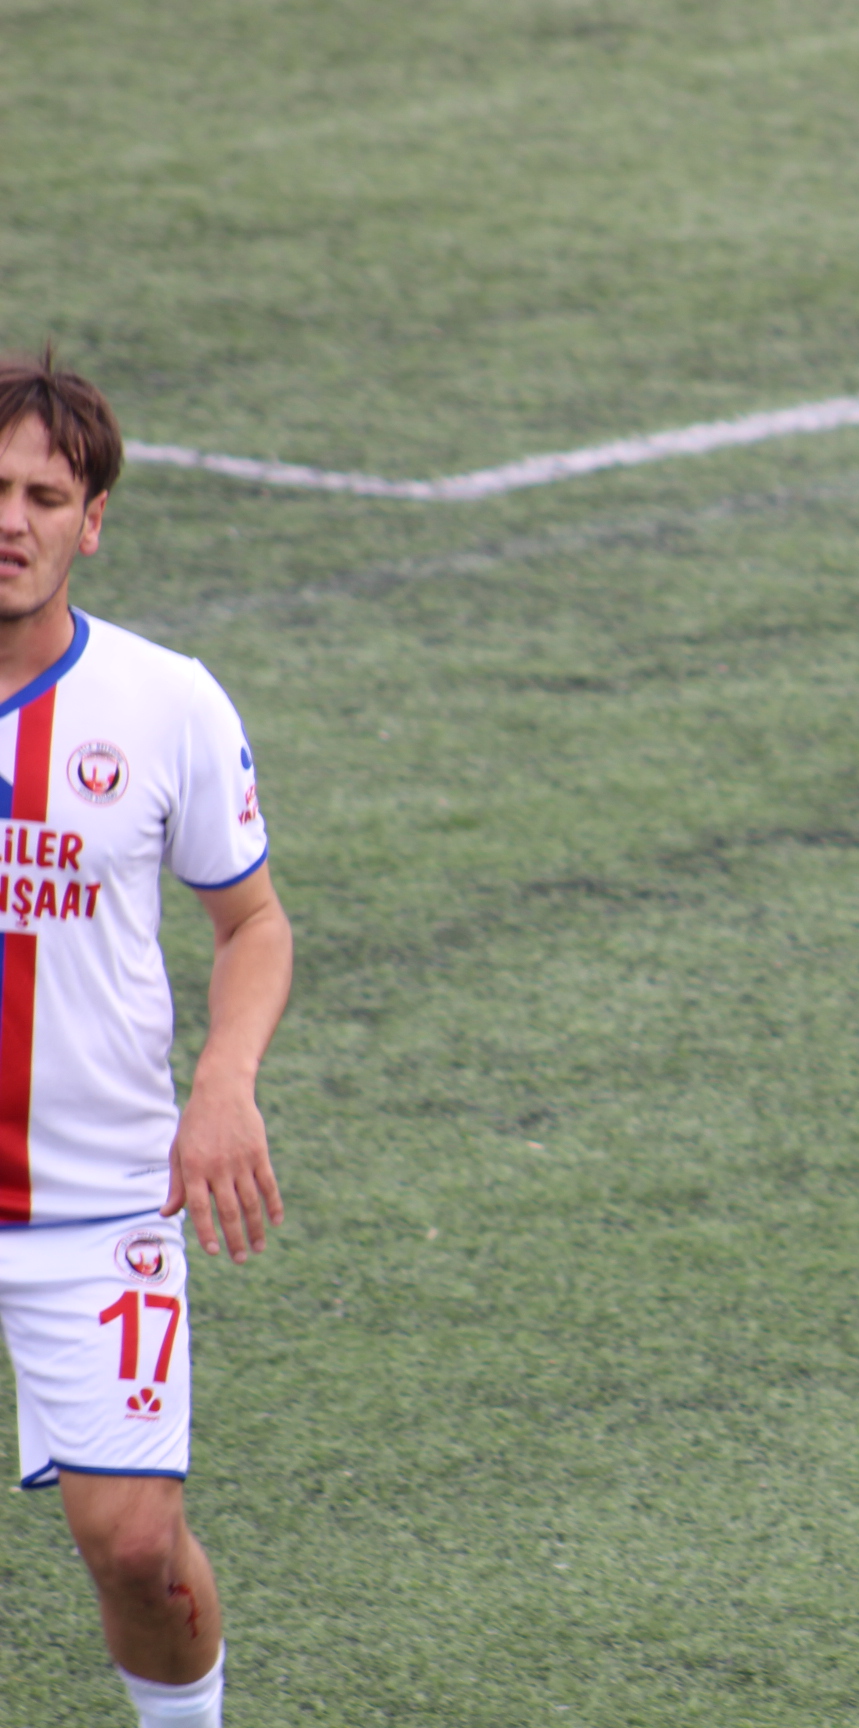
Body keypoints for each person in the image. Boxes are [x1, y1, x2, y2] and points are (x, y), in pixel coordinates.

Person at [0, 351, 293, 1728]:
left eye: (44, 497)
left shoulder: (166, 701)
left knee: (134, 1550)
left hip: (98, 1201)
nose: (11, 521)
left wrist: (224, 1084)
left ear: (93, 521)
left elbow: (254, 923)